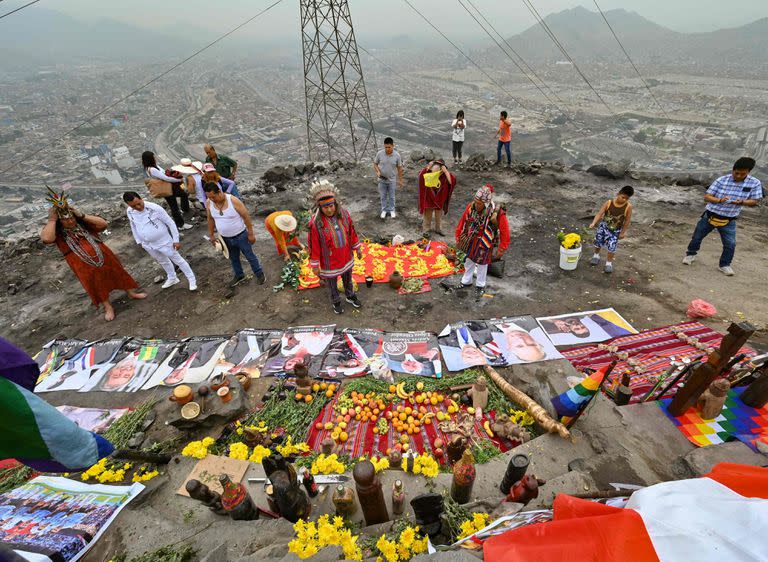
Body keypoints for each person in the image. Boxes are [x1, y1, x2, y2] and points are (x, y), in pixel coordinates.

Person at [40, 188, 146, 321]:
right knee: (94, 282)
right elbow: (47, 239)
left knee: (117, 271)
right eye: (65, 220)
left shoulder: (83, 223)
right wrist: (51, 220)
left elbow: (103, 224)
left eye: (71, 218)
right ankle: (108, 307)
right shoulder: (58, 232)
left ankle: (131, 292)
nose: (70, 221)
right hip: (80, 262)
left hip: (103, 254)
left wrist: (81, 215)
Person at [683, 156, 763, 275]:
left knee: (730, 244)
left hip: (729, 219)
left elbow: (755, 201)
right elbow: (707, 196)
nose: (739, 176)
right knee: (697, 237)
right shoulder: (722, 180)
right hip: (710, 215)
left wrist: (741, 202)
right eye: (737, 173)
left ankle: (724, 265)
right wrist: (720, 200)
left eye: (743, 174)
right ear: (733, 170)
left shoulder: (755, 183)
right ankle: (690, 255)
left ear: (748, 172)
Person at [307, 180, 362, 314]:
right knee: (331, 283)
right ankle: (336, 300)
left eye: (331, 206)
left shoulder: (344, 214)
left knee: (347, 278)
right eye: (325, 207)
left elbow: (352, 232)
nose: (329, 209)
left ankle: (349, 295)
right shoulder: (316, 223)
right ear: (320, 207)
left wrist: (357, 247)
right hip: (329, 261)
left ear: (335, 204)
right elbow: (314, 244)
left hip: (345, 256)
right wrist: (315, 265)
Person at [123, 191, 197, 291]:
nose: (138, 207)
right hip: (147, 244)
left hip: (164, 241)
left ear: (141, 198)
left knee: (177, 259)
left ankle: (191, 280)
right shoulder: (129, 211)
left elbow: (170, 223)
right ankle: (172, 278)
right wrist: (139, 241)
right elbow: (133, 226)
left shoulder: (155, 208)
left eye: (139, 203)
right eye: (133, 206)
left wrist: (176, 240)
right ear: (128, 204)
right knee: (162, 261)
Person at [204, 182, 265, 287]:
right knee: (233, 258)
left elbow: (246, 216)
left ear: (219, 192)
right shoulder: (209, 203)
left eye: (213, 197)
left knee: (250, 256)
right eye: (209, 197)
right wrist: (211, 235)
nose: (212, 200)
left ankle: (259, 273)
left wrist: (251, 234)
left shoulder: (233, 200)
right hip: (225, 238)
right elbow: (210, 219)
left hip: (241, 236)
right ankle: (240, 275)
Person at [455, 185, 510, 293]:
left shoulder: (497, 213)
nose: (476, 205)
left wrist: (502, 248)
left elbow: (505, 232)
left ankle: (480, 285)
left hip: (485, 241)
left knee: (482, 263)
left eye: (479, 203)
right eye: (476, 202)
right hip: (471, 238)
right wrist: (458, 235)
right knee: (469, 260)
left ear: (486, 203)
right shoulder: (471, 207)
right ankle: (466, 281)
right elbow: (463, 221)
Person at [589, 185, 634, 274]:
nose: (624, 200)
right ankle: (596, 255)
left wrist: (623, 233)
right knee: (598, 241)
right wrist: (593, 223)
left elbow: (627, 221)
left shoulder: (628, 207)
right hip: (603, 227)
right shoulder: (609, 203)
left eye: (627, 198)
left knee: (612, 247)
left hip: (615, 231)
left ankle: (609, 263)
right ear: (618, 194)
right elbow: (600, 213)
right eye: (623, 197)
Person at [141, 151, 192, 230]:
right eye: (153, 157)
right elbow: (165, 178)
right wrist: (178, 180)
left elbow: (164, 173)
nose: (155, 158)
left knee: (183, 194)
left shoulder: (154, 166)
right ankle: (180, 225)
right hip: (166, 189)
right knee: (174, 207)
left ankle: (184, 210)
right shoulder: (152, 169)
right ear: (150, 159)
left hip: (169, 187)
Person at [417, 159, 456, 236]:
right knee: (427, 215)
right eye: (433, 171)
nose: (434, 173)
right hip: (429, 198)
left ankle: (438, 229)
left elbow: (451, 182)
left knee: (438, 215)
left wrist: (445, 171)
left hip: (439, 198)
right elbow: (420, 176)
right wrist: (428, 166)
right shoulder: (428, 173)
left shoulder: (444, 175)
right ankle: (426, 229)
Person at [373, 137, 404, 219]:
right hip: (382, 180)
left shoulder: (397, 155)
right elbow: (375, 164)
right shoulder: (380, 154)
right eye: (385, 147)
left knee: (392, 196)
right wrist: (377, 171)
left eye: (389, 147)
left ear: (393, 146)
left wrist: (400, 180)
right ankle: (384, 210)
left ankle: (392, 210)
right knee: (383, 196)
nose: (387, 149)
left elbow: (400, 168)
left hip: (392, 180)